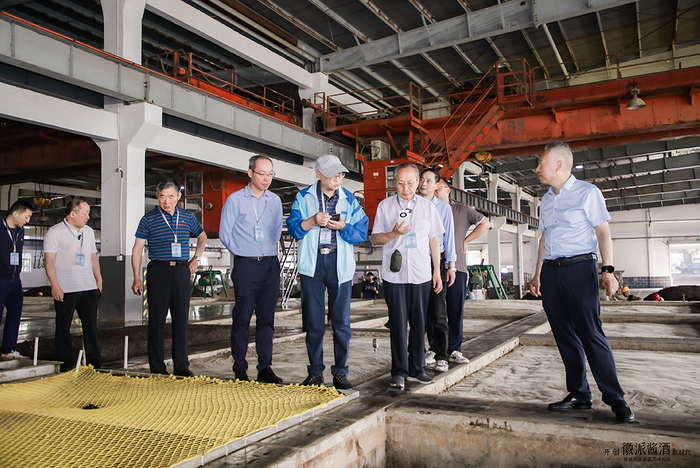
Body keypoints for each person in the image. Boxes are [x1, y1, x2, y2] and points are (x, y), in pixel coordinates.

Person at [529, 141, 634, 423]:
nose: (537, 168)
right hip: (552, 273)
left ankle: (615, 398)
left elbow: (603, 232)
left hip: (579, 269)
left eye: (541, 163)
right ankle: (579, 394)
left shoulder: (588, 193)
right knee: (564, 335)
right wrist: (538, 273)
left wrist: (607, 270)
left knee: (591, 333)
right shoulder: (546, 199)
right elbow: (544, 238)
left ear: (558, 164)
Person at [287, 154, 369, 389]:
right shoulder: (304, 197)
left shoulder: (349, 199)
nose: (337, 178)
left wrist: (343, 227)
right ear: (318, 174)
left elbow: (361, 232)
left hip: (338, 263)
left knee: (341, 321)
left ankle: (340, 372)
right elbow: (294, 228)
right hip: (313, 264)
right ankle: (315, 372)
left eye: (340, 173)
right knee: (314, 321)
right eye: (333, 174)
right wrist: (313, 220)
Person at [372, 163, 444, 389]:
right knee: (398, 324)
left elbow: (434, 240)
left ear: (418, 182)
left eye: (410, 183)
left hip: (421, 273)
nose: (406, 188)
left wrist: (437, 271)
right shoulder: (385, 206)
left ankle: (417, 368)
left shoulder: (427, 207)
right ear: (395, 183)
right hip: (395, 277)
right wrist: (394, 233)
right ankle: (399, 371)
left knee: (419, 323)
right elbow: (375, 239)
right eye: (401, 184)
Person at [132, 180, 207, 377]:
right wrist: (136, 277)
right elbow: (137, 249)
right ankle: (157, 367)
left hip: (182, 270)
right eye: (162, 197)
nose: (167, 201)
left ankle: (181, 366)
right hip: (159, 270)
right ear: (157, 197)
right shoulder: (148, 219)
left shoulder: (188, 217)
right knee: (156, 320)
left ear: (178, 197)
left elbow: (203, 236)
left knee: (181, 319)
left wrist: (196, 258)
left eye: (171, 197)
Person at [220, 155, 284, 384]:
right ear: (250, 173)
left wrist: (266, 250)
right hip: (246, 265)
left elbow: (277, 229)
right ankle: (240, 366)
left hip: (270, 264)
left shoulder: (275, 200)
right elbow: (225, 233)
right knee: (243, 317)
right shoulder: (235, 200)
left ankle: (265, 367)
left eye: (270, 174)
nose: (266, 179)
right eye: (261, 174)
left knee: (267, 319)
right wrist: (243, 252)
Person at [44, 198, 103, 372]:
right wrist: (55, 285)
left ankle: (94, 362)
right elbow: (49, 261)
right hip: (66, 288)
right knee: (63, 326)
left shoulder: (89, 232)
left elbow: (93, 257)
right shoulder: (55, 232)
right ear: (72, 214)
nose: (88, 217)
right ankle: (64, 362)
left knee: (91, 326)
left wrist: (99, 279)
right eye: (85, 213)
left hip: (88, 287)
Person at [435, 179, 490, 363]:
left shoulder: (462, 210)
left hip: (457, 268)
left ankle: (454, 349)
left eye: (438, 188)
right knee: (435, 311)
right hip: (434, 268)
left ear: (447, 190)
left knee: (455, 310)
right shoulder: (429, 209)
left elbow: (485, 223)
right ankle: (435, 349)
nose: (435, 191)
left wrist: (466, 240)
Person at [419, 169, 455, 373]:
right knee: (418, 310)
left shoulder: (443, 208)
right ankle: (421, 352)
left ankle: (442, 354)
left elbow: (449, 238)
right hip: (416, 261)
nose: (424, 183)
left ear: (436, 185)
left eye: (429, 181)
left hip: (436, 262)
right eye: (422, 180)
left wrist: (451, 266)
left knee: (438, 310)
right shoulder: (412, 204)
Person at [1, 201, 33, 359]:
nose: (27, 220)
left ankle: (8, 350)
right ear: (15, 214)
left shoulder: (20, 231)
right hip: (1, 280)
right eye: (26, 217)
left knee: (14, 315)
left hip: (15, 281)